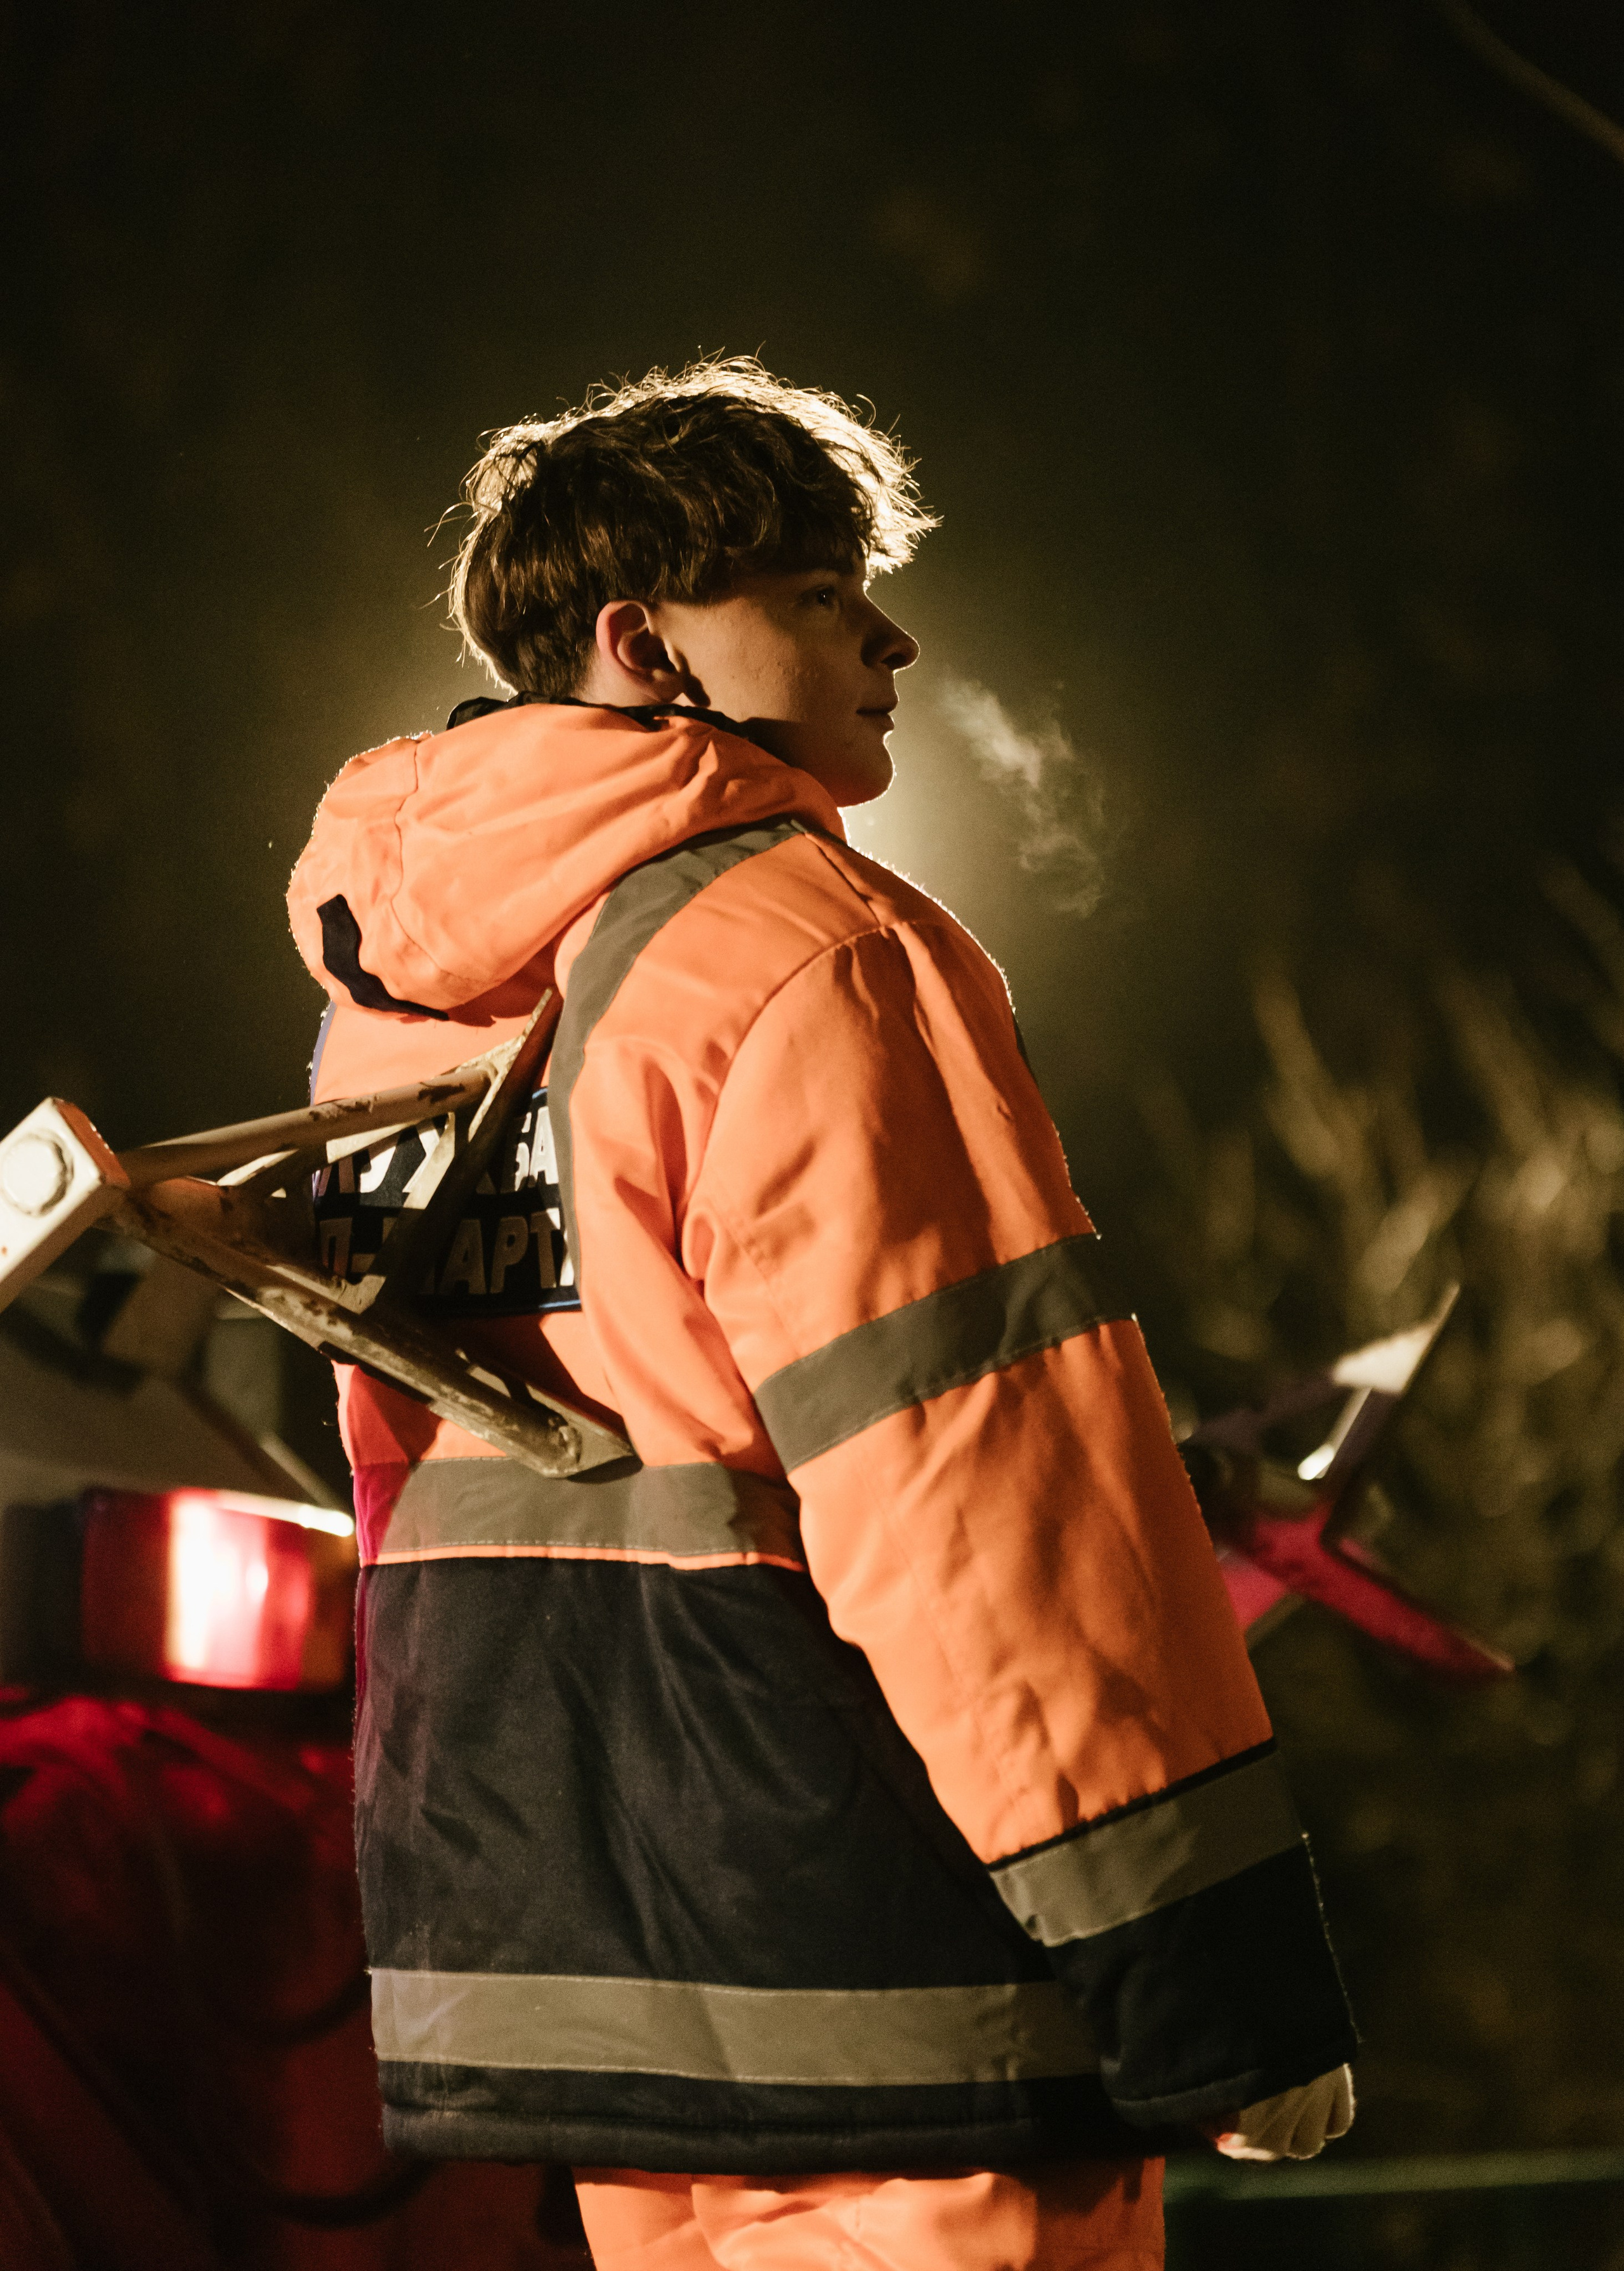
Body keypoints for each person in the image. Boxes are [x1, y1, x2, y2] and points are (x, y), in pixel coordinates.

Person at [285, 358, 1356, 2270]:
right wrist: (1206, 1962)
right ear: (645, 640)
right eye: (816, 587)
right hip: (884, 1940)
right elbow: (974, 1481)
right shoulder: (812, 950)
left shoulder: (408, 1011)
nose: (892, 634)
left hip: (569, 1959)